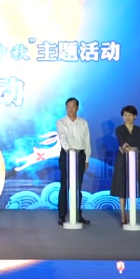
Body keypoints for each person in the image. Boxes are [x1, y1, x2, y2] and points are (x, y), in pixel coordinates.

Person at [55, 97, 91, 226]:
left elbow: (87, 141)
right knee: (64, 186)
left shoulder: (83, 123)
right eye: (68, 106)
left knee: (78, 187)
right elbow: (62, 137)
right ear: (66, 108)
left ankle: (78, 215)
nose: (70, 109)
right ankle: (62, 215)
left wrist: (86, 159)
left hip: (80, 155)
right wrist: (69, 150)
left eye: (73, 106)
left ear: (77, 108)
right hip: (66, 155)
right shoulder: (61, 122)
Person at [111, 105, 140, 226]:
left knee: (133, 187)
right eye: (125, 115)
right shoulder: (119, 129)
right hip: (122, 160)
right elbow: (122, 143)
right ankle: (123, 214)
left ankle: (132, 213)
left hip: (135, 160)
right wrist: (126, 147)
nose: (127, 117)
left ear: (135, 116)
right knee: (122, 186)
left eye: (130, 115)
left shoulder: (139, 130)